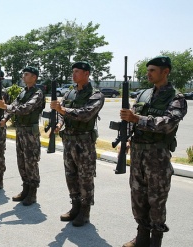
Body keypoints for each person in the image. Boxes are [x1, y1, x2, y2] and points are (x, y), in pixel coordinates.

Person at [120, 56, 187, 247]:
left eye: (152, 70)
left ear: (165, 72)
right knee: (138, 197)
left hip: (157, 155)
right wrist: (126, 140)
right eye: (147, 70)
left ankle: (156, 239)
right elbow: (130, 119)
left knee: (156, 199)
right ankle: (142, 235)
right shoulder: (143, 95)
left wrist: (137, 119)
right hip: (138, 152)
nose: (148, 73)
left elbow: (167, 123)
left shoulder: (176, 98)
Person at [50, 61, 105, 226]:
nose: (73, 74)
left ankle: (85, 211)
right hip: (69, 141)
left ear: (87, 74)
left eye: (77, 71)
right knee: (71, 175)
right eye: (73, 71)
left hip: (84, 143)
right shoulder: (70, 93)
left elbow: (86, 114)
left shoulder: (96, 95)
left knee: (85, 178)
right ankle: (75, 206)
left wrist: (62, 111)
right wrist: (59, 123)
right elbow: (61, 112)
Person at [0, 66, 43, 206]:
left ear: (34, 77)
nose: (23, 77)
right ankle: (25, 188)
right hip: (21, 131)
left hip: (30, 133)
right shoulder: (23, 92)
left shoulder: (37, 93)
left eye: (26, 74)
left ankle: (32, 193)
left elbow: (26, 108)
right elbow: (14, 105)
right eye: (23, 74)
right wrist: (5, 118)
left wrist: (5, 107)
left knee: (31, 162)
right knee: (21, 161)